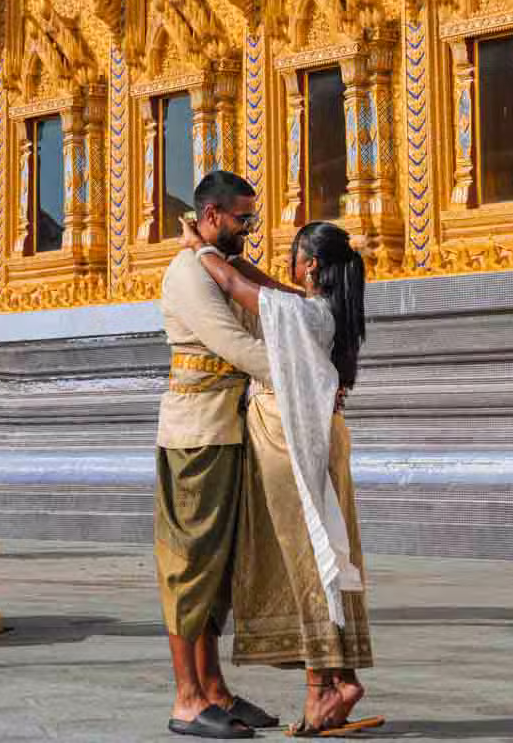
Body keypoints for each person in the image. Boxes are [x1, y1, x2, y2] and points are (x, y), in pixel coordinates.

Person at [184, 218, 383, 738]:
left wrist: (201, 249)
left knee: (306, 552)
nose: (287, 268)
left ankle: (321, 688)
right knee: (330, 548)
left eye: (295, 257)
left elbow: (234, 288)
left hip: (290, 436)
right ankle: (342, 675)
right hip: (323, 434)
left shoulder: (299, 314)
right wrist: (231, 258)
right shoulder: (322, 309)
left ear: (311, 265)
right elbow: (267, 287)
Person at [156, 169, 282, 740]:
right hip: (195, 437)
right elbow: (231, 343)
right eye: (241, 220)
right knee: (191, 567)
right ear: (211, 216)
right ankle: (186, 698)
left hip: (226, 430)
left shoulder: (215, 265)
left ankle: (215, 689)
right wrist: (301, 372)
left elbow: (260, 307)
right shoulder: (188, 272)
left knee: (220, 571)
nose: (248, 230)